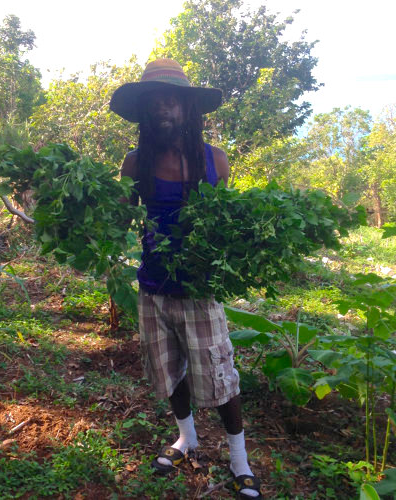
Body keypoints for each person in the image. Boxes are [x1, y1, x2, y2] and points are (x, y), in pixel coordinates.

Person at [110, 58, 261, 499]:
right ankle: (186, 440)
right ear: (145, 110)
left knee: (220, 378)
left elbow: (224, 225)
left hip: (198, 291)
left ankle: (240, 462)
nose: (164, 110)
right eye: (156, 101)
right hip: (153, 286)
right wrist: (90, 217)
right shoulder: (135, 163)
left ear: (188, 109)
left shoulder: (215, 161)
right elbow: (122, 216)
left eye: (172, 101)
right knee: (169, 372)